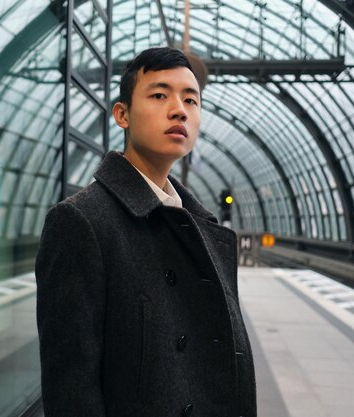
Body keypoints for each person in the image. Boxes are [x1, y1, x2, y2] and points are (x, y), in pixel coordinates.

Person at [35, 47, 256, 417]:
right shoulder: (80, 222)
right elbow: (71, 389)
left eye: (191, 100)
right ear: (122, 114)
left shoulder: (204, 229)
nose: (179, 110)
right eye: (159, 95)